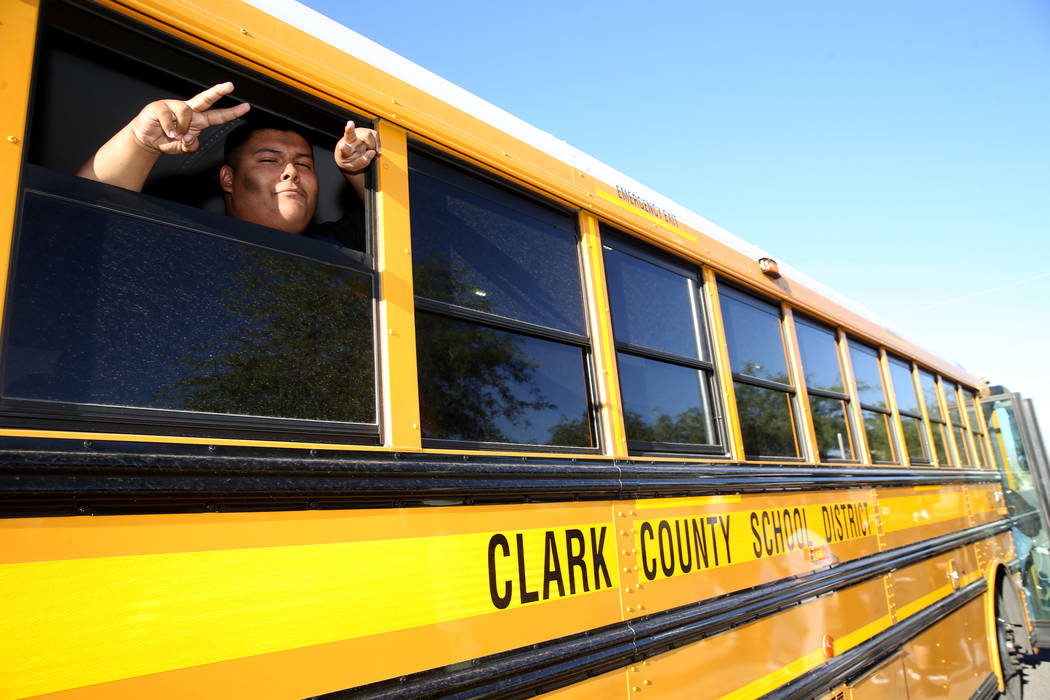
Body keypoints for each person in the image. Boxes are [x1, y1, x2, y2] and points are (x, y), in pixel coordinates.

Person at [76, 82, 379, 247]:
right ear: (228, 179)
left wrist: (358, 169)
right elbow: (80, 225)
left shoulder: (339, 247)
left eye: (304, 164)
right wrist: (139, 144)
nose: (291, 172)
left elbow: (413, 241)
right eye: (270, 159)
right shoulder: (182, 240)